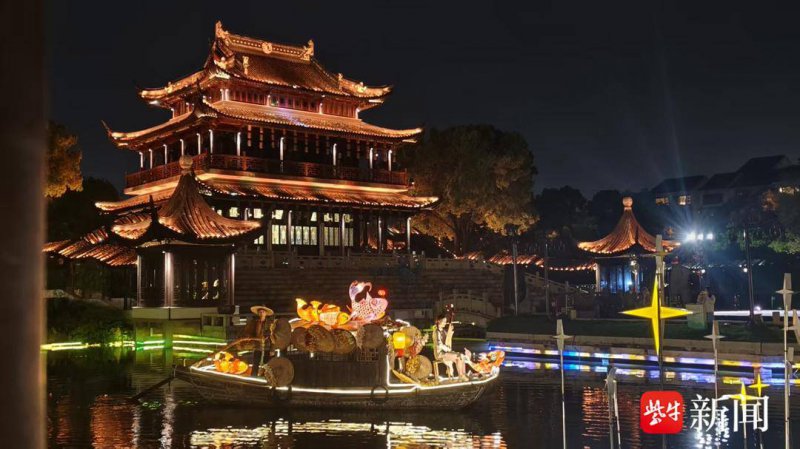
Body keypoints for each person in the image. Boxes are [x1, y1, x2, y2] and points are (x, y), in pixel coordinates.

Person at [433, 313, 468, 381]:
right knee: (459, 356)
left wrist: (450, 331)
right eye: (444, 321)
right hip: (440, 353)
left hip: (445, 352)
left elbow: (448, 339)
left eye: (445, 321)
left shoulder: (443, 331)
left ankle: (463, 375)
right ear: (439, 321)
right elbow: (438, 344)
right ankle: (461, 376)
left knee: (461, 356)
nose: (445, 323)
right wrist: (447, 348)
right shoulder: (436, 331)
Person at [242, 305, 274, 374]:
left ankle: (265, 376)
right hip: (257, 346)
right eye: (260, 312)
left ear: (266, 313)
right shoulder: (254, 322)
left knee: (267, 364)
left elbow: (273, 336)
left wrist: (272, 349)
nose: (261, 313)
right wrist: (249, 337)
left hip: (267, 346)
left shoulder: (270, 323)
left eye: (263, 312)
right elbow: (249, 332)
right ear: (258, 313)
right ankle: (254, 376)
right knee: (256, 363)